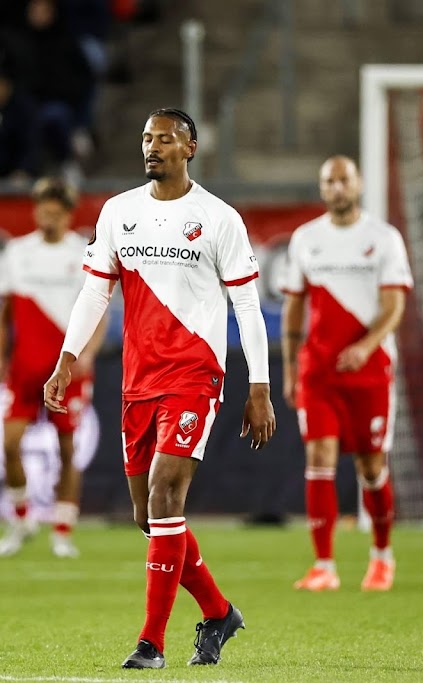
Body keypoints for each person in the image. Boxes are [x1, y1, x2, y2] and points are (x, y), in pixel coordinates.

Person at [44, 108, 276, 669]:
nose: (153, 147)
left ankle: (151, 644)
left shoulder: (218, 218)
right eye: (147, 138)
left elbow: (247, 305)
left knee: (167, 493)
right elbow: (95, 293)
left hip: (195, 375)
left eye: (165, 139)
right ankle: (219, 613)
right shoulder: (118, 211)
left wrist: (260, 387)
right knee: (149, 517)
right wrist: (66, 358)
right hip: (137, 379)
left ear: (190, 148)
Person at [280, 156, 412, 593]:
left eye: (344, 180)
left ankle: (382, 556)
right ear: (322, 189)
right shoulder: (306, 239)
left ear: (359, 185)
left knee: (371, 466)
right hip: (319, 371)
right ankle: (324, 565)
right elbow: (294, 306)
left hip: (370, 371)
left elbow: (394, 306)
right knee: (319, 458)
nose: (337, 187)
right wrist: (290, 368)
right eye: (329, 181)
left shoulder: (384, 238)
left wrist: (365, 346)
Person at [0, 177, 106, 559]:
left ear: (69, 215)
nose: (48, 219)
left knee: (68, 450)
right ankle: (22, 519)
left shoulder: (84, 253)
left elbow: (100, 308)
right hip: (25, 367)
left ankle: (62, 531)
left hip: (67, 369)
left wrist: (89, 352)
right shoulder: (17, 252)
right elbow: (4, 313)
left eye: (56, 213)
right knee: (9, 445)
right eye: (43, 212)